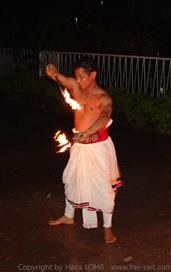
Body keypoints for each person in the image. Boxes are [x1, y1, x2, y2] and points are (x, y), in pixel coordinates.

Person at [46, 57, 122, 244]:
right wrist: (52, 71)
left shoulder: (104, 98)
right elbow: (61, 79)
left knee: (103, 187)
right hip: (79, 147)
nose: (78, 80)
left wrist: (87, 132)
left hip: (98, 148)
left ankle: (107, 228)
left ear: (93, 75)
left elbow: (104, 117)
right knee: (72, 179)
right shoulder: (76, 87)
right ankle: (68, 215)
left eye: (81, 77)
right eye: (76, 76)